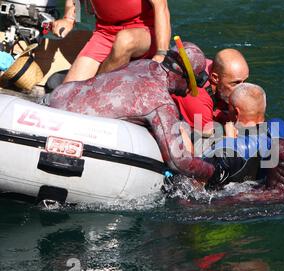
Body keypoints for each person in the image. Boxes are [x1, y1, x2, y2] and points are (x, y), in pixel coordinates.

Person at [46, 42, 214, 180]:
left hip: (54, 100)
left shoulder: (143, 64)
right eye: (195, 82)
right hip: (70, 131)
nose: (192, 91)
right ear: (183, 76)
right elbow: (179, 161)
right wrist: (214, 172)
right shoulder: (160, 101)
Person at [52, 0, 171, 83]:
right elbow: (76, 1)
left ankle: (95, 92)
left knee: (124, 40)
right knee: (68, 91)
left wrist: (162, 52)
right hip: (104, 32)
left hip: (144, 31)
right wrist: (70, 18)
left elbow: (161, 8)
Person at [172, 48, 249, 136]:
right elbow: (209, 144)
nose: (242, 89)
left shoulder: (221, 71)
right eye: (236, 83)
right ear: (215, 78)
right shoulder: (198, 101)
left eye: (245, 81)